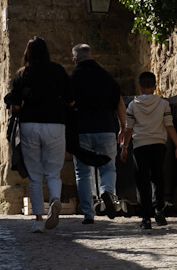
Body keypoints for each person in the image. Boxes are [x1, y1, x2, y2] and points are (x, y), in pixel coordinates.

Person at [6, 37, 74, 233]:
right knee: (53, 171)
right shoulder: (58, 71)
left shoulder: (21, 74)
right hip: (55, 124)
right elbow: (70, 101)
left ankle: (37, 220)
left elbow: (16, 106)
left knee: (35, 176)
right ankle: (54, 200)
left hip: (30, 125)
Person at [69, 43, 126, 225]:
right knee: (108, 167)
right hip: (106, 128)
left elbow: (67, 107)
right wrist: (123, 128)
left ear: (75, 59)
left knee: (83, 172)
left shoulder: (71, 79)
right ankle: (107, 191)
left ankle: (88, 213)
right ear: (92, 57)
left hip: (81, 130)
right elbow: (119, 104)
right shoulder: (106, 77)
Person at [120, 71, 177, 229]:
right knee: (158, 178)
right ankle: (158, 210)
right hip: (158, 145)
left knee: (142, 181)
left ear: (139, 87)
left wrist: (125, 147)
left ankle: (145, 217)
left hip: (140, 145)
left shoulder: (133, 106)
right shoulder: (163, 104)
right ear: (155, 87)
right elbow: (169, 125)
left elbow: (128, 128)